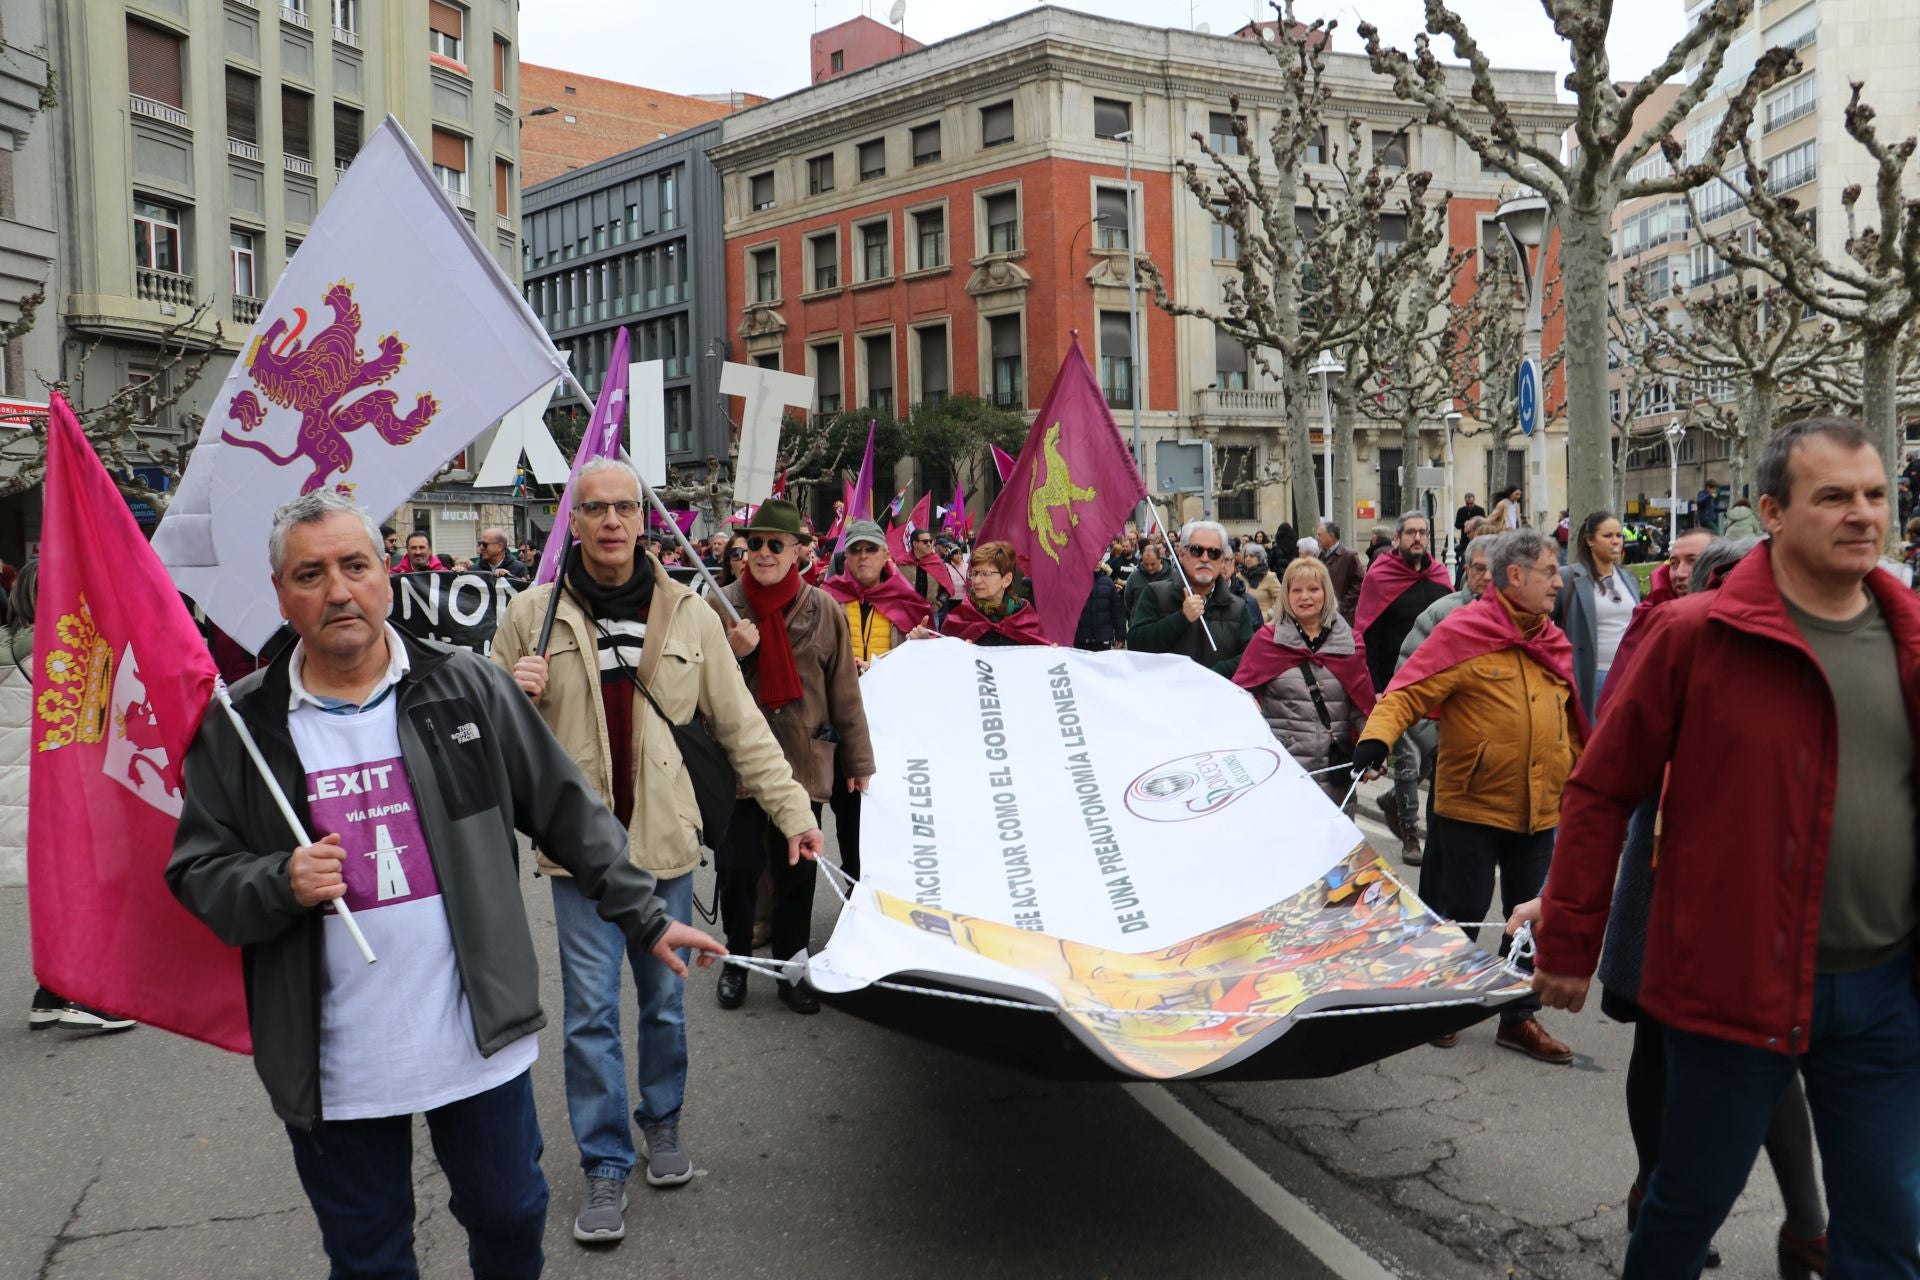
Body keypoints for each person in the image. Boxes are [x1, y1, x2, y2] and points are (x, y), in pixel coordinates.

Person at [167, 490, 723, 1276]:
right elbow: (196, 872)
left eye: (355, 566)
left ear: (386, 576)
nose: (337, 591)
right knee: (370, 1260)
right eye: (310, 574)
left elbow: (567, 812)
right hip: (335, 1064)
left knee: (511, 1219)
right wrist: (277, 879)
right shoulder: (245, 727)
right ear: (281, 594)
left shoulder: (465, 686)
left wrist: (647, 916)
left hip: (476, 1041)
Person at [1536, 418, 1920, 1278]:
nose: (1863, 514)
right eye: (1834, 497)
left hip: (1886, 997)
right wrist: (1569, 940)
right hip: (1730, 986)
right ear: (1772, 512)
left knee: (1891, 1225)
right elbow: (1601, 791)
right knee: (1685, 1205)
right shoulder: (1691, 638)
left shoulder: (1912, 640)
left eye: (1874, 495)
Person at [491, 460, 819, 1244]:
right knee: (592, 1018)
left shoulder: (690, 613)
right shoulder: (531, 615)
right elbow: (488, 743)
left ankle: (661, 1121)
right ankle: (605, 1160)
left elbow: (741, 726)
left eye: (624, 508)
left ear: (644, 519)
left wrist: (796, 810)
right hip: (580, 862)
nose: (611, 521)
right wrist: (510, 689)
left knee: (665, 1006)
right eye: (595, 508)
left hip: (667, 851)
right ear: (571, 520)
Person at [1511, 534, 1828, 1275]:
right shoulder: (1669, 633)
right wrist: (1560, 897)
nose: (1679, 570)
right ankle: (1659, 1199)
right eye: (1680, 563)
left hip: (1757, 893)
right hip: (1658, 877)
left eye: (1694, 563)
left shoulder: (1827, 640)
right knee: (1659, 1047)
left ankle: (1799, 1220)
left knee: (1770, 1052)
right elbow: (1605, 776)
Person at [1352, 528, 1582, 1064]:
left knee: (1529, 924)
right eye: (1550, 571)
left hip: (1540, 810)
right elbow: (1407, 690)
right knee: (1463, 910)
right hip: (1471, 806)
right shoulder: (1465, 631)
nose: (1558, 581)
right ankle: (1445, 1004)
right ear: (1516, 576)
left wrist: (1577, 776)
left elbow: (1572, 720)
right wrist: (1376, 737)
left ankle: (1517, 1017)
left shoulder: (1552, 638)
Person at [712, 500, 874, 1014]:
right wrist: (731, 652)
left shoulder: (823, 608)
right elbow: (692, 689)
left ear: (798, 552)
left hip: (804, 762)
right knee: (737, 868)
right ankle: (737, 960)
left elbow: (844, 689)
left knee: (797, 874)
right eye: (752, 544)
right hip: (737, 765)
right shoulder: (719, 604)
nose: (760, 552)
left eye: (773, 544)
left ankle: (792, 967)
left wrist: (859, 762)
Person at [10, 562, 138, 1034]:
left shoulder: (8, 645)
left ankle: (49, 992)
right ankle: (87, 997)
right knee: (88, 888)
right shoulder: (61, 652)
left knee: (58, 894)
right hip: (56, 796)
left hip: (15, 797)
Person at [820, 519, 930, 881]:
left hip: (890, 728)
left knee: (891, 815)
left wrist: (912, 651)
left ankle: (893, 892)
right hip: (838, 726)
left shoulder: (910, 603)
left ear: (886, 555)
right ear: (846, 558)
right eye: (856, 550)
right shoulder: (824, 599)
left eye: (870, 549)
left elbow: (928, 667)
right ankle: (856, 894)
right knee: (850, 819)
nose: (863, 556)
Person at [1352, 511, 1452, 861]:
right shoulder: (1381, 577)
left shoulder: (1440, 578)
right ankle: (1411, 837)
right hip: (1398, 683)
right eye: (1411, 532)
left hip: (1438, 683)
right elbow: (1369, 635)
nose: (1418, 538)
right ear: (1397, 539)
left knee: (1434, 760)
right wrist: (1377, 686)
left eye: (1423, 532)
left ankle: (1397, 801)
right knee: (1408, 762)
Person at [1232, 557, 1373, 800]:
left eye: (1313, 589)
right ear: (1286, 595)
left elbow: (1361, 706)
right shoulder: (1267, 641)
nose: (1304, 597)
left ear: (1326, 594)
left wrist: (1372, 751)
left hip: (1335, 774)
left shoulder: (1350, 643)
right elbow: (1240, 698)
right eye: (1296, 590)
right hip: (1283, 773)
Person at [1128, 520, 1255, 678]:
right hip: (1165, 696)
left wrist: (1214, 674)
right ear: (1181, 555)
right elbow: (1136, 645)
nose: (1205, 558)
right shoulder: (1155, 593)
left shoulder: (1238, 607)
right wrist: (1181, 618)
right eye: (1197, 550)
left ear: (1222, 561)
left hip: (1216, 697)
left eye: (1213, 553)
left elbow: (1251, 658)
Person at [1553, 511, 1640, 721]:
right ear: (1590, 540)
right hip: (1592, 675)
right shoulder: (1568, 577)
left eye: (1619, 535)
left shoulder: (1628, 577)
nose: (1616, 541)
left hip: (1629, 673)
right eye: (1608, 536)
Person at [921, 540, 1045, 645]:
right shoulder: (960, 617)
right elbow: (944, 654)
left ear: (1006, 580)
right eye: (974, 573)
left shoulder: (1024, 615)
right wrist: (925, 642)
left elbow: (1039, 657)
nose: (976, 580)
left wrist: (1051, 654)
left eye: (986, 574)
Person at [1315, 520, 1365, 625]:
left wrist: (1342, 606)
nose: (1317, 538)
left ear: (1331, 536)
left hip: (1342, 616)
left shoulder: (1349, 556)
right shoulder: (1318, 556)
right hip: (1320, 614)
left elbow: (1359, 583)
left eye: (1319, 535)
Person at [1075, 560, 1128, 651]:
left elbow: (1117, 612)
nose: (1097, 562)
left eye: (1099, 560)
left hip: (1103, 639)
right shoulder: (1076, 583)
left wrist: (1120, 636)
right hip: (1081, 639)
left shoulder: (1108, 583)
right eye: (1094, 559)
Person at [1237, 542, 1284, 623]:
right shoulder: (1239, 576)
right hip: (1242, 622)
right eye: (1246, 556)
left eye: (1251, 556)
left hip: (1263, 624)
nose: (1248, 559)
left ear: (1259, 558)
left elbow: (1282, 598)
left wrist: (1269, 614)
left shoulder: (1269, 576)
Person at [1122, 539, 1171, 615]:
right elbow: (1128, 602)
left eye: (1152, 564)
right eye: (1146, 564)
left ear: (1160, 559)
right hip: (1140, 623)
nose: (1149, 568)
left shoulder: (1172, 575)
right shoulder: (1134, 577)